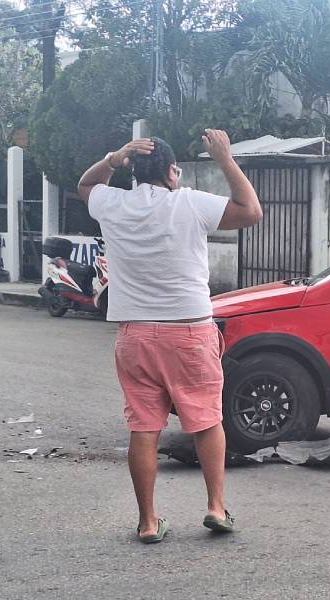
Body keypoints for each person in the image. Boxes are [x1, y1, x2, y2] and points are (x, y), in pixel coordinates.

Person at [79, 130, 262, 543]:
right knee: (206, 419)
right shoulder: (190, 202)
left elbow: (86, 185)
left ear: (133, 172)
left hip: (135, 335)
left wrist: (114, 156)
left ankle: (148, 521)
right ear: (172, 171)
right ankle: (215, 506)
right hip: (190, 330)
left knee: (144, 426)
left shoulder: (114, 204)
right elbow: (250, 211)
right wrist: (225, 159)